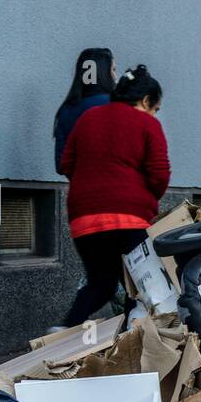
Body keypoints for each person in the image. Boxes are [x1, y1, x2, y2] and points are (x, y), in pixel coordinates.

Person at [58, 65, 170, 328]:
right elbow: (160, 174)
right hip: (129, 219)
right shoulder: (147, 124)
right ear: (145, 101)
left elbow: (66, 163)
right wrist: (144, 199)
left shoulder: (88, 118)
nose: (155, 113)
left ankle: (63, 330)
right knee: (141, 286)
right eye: (155, 108)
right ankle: (132, 343)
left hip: (84, 220)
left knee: (101, 284)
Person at [53, 47, 117, 175]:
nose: (116, 75)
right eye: (113, 69)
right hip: (116, 184)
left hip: (80, 187)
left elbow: (61, 164)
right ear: (103, 73)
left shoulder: (66, 110)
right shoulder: (117, 105)